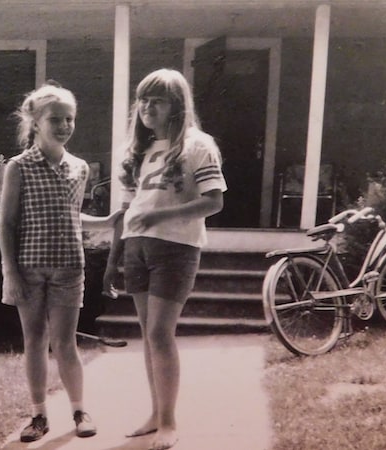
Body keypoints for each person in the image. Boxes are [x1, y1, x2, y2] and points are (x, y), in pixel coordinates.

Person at [104, 68, 227, 450]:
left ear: (177, 105)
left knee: (160, 333)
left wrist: (160, 216)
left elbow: (214, 200)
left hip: (175, 248)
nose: (147, 107)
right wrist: (114, 258)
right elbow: (127, 212)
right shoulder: (139, 151)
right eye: (142, 100)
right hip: (137, 247)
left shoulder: (197, 145)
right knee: (147, 335)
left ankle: (170, 423)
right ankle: (156, 413)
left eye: (156, 100)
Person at [0, 81, 120, 443]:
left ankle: (80, 410)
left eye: (70, 119)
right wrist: (10, 271)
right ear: (36, 122)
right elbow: (7, 223)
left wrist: (108, 221)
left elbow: (70, 215)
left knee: (65, 343)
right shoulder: (19, 168)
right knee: (35, 340)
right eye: (56, 119)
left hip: (69, 267)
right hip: (29, 269)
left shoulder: (79, 168)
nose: (65, 125)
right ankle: (38, 416)